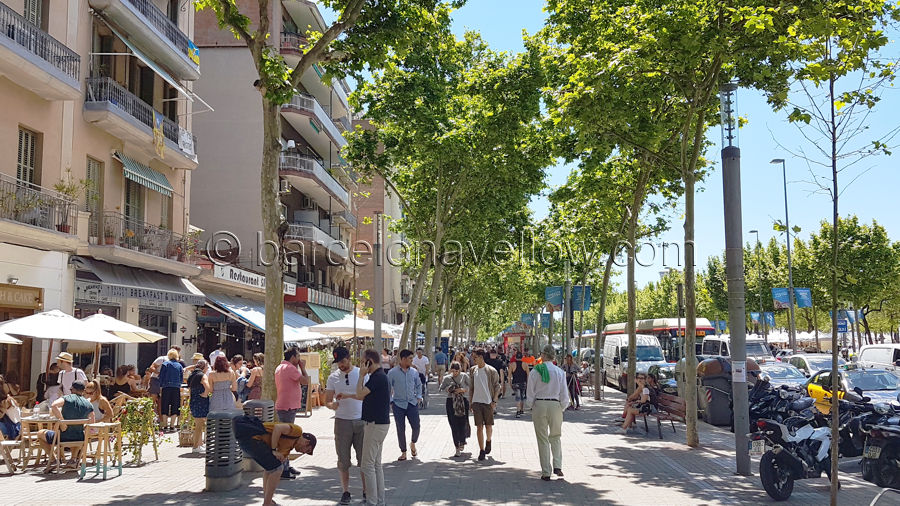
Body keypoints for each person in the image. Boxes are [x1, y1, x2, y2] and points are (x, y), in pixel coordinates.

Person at [235, 418, 316, 506]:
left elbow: (276, 463)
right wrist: (274, 450)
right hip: (252, 436)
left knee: (271, 468)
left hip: (249, 441)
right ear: (306, 442)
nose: (303, 452)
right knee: (277, 469)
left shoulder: (288, 449)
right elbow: (278, 428)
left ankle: (268, 501)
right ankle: (267, 503)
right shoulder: (297, 431)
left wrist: (281, 458)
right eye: (307, 450)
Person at [326, 347, 367, 505]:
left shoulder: (361, 373)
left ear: (349, 358)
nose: (341, 365)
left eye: (343, 361)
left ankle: (365, 490)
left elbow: (367, 396)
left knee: (364, 459)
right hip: (342, 421)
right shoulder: (333, 377)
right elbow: (327, 400)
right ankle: (345, 491)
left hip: (361, 420)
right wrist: (332, 405)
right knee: (343, 459)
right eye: (338, 363)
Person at [526, 344, 569, 481]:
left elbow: (530, 392)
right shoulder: (559, 372)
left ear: (543, 355)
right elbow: (564, 393)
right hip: (555, 404)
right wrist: (561, 407)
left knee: (542, 439)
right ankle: (558, 465)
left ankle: (546, 471)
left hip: (539, 404)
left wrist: (531, 405)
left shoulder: (535, 371)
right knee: (556, 436)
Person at [355, 349, 390, 506]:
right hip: (380, 424)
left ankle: (372, 501)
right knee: (375, 464)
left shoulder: (376, 377)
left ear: (369, 361)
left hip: (375, 425)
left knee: (367, 465)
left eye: (364, 362)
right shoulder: (380, 376)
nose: (362, 365)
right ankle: (379, 500)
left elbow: (359, 394)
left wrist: (361, 376)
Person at [37, 380, 95, 471]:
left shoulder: (67, 398)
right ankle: (73, 460)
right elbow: (92, 422)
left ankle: (53, 460)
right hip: (79, 438)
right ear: (83, 391)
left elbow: (54, 405)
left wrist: (62, 422)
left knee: (40, 433)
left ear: (72, 389)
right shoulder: (88, 404)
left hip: (62, 437)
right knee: (77, 433)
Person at [274, 347, 309, 479]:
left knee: (286, 437)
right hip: (288, 406)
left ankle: (286, 465)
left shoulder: (281, 367)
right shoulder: (290, 368)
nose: (299, 359)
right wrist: (303, 367)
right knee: (287, 439)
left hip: (284, 405)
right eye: (298, 356)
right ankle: (283, 469)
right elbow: (305, 381)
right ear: (293, 357)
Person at [387, 349, 422, 461]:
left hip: (412, 403)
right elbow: (388, 388)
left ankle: (413, 443)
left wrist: (419, 397)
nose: (412, 361)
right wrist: (391, 401)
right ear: (403, 359)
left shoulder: (414, 372)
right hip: (398, 404)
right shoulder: (392, 373)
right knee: (400, 429)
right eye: (410, 358)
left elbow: (419, 385)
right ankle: (403, 452)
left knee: (416, 426)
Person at [468, 349, 500, 461]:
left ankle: (488, 440)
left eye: (475, 357)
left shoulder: (491, 371)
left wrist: (494, 401)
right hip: (476, 402)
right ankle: (481, 450)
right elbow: (471, 388)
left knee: (488, 426)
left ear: (481, 357)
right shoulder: (472, 370)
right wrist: (470, 402)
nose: (473, 359)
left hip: (488, 402)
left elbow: (497, 386)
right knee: (479, 427)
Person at [439, 361, 470, 457]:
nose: (455, 373)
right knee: (453, 424)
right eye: (453, 371)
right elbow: (441, 388)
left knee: (463, 422)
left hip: (462, 402)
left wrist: (463, 390)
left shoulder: (464, 376)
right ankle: (457, 446)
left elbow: (471, 386)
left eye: (457, 371)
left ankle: (462, 440)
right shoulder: (447, 378)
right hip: (451, 401)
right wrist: (448, 389)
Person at [157, 349, 184, 431]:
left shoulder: (165, 364)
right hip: (176, 387)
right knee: (175, 406)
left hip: (166, 387)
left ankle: (165, 425)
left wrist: (161, 387)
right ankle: (172, 425)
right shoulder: (179, 366)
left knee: (164, 405)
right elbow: (181, 378)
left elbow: (161, 377)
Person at [187, 360, 210, 454]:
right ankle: (196, 446)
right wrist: (205, 394)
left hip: (194, 400)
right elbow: (208, 387)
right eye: (207, 366)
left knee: (198, 424)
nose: (208, 368)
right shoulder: (202, 375)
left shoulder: (192, 375)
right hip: (201, 401)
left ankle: (199, 444)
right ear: (204, 367)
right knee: (200, 426)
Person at [510, 351, 530, 418]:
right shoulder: (525, 364)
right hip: (523, 383)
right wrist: (528, 383)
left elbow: (509, 376)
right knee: (522, 396)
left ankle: (518, 411)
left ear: (515, 357)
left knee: (517, 397)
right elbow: (528, 375)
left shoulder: (512, 365)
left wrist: (510, 383)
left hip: (515, 382)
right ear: (522, 357)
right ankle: (521, 409)